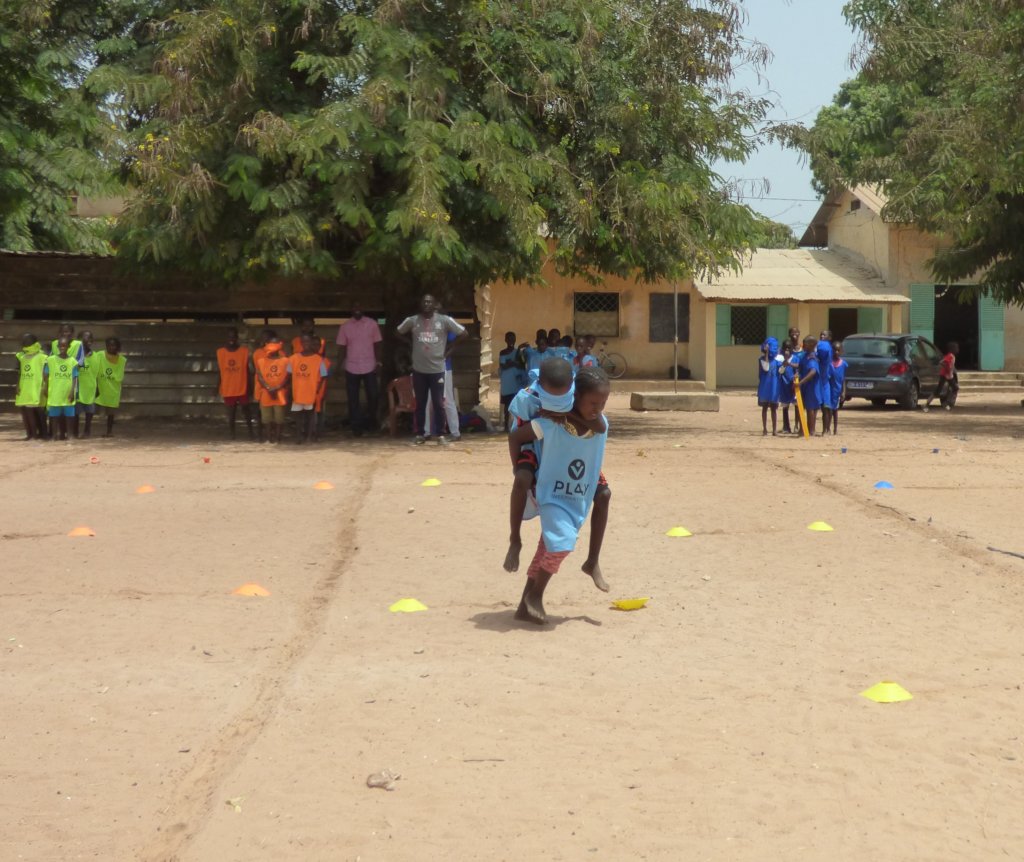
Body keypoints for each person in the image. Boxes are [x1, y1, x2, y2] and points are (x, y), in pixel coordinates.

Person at [507, 366, 611, 624]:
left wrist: (567, 414)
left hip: (576, 487)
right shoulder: (548, 422)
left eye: (603, 403)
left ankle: (524, 607)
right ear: (575, 397)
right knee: (562, 543)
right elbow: (516, 436)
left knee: (549, 544)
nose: (598, 408)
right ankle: (535, 593)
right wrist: (518, 468)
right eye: (593, 403)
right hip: (552, 488)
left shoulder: (598, 423)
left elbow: (599, 426)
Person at [395, 294, 467, 444]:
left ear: (434, 305)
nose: (426, 304)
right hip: (419, 370)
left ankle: (441, 435)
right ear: (420, 304)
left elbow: (463, 333)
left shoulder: (444, 320)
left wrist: (450, 349)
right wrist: (409, 343)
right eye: (424, 302)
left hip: (438, 369)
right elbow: (397, 332)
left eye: (429, 302)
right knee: (421, 403)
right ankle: (421, 434)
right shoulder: (412, 321)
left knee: (439, 403)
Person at [336, 306, 383, 436]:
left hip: (370, 366)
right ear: (351, 310)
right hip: (351, 366)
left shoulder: (372, 324)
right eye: (354, 307)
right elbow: (342, 348)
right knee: (353, 399)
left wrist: (379, 362)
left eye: (359, 307)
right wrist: (338, 367)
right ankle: (356, 427)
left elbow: (377, 345)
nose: (357, 310)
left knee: (373, 396)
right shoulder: (345, 326)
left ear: (363, 309)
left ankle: (371, 423)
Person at [288, 333, 328, 443]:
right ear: (300, 343)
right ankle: (298, 436)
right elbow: (289, 375)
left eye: (308, 342)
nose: (306, 344)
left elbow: (324, 375)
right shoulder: (293, 358)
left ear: (311, 343)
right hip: (297, 392)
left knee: (310, 415)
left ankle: (309, 436)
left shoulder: (318, 359)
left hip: (310, 392)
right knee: (297, 415)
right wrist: (290, 390)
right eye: (304, 342)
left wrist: (317, 389)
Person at [216, 327, 253, 440]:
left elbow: (247, 370)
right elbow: (220, 371)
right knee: (231, 413)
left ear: (237, 338)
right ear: (226, 338)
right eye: (229, 337)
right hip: (228, 387)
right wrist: (217, 386)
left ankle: (251, 432)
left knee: (246, 411)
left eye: (233, 337)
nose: (231, 339)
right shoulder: (220, 352)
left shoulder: (244, 351)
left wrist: (250, 386)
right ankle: (232, 434)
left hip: (242, 386)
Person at [425, 330, 462, 441]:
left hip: (444, 368)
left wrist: (442, 356)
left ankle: (455, 432)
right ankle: (425, 432)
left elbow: (454, 345)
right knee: (426, 400)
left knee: (448, 401)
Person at [254, 338, 290, 443]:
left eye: (274, 344)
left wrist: (277, 387)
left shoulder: (286, 361)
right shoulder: (261, 361)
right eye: (270, 344)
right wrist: (268, 388)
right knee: (266, 419)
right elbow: (259, 377)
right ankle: (269, 438)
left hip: (280, 393)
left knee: (279, 418)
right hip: (266, 393)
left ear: (279, 345)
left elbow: (288, 377)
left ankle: (278, 438)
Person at [43, 336, 79, 441]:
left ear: (68, 347)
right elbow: (46, 375)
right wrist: (45, 387)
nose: (62, 347)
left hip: (67, 393)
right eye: (60, 346)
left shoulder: (72, 361)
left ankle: (70, 435)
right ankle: (54, 435)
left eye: (64, 346)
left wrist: (72, 391)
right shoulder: (51, 360)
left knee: (69, 416)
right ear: (57, 347)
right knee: (54, 416)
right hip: (55, 393)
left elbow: (75, 378)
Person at [14, 333, 46, 440]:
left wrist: (44, 386)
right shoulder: (20, 356)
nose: (22, 342)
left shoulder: (42, 356)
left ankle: (36, 434)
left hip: (36, 386)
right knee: (24, 410)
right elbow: (20, 372)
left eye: (25, 340)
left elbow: (45, 373)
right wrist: (17, 385)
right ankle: (29, 434)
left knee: (35, 411)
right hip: (24, 386)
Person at [94, 337, 127, 437]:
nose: (111, 347)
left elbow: (119, 376)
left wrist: (107, 376)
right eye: (109, 345)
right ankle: (90, 430)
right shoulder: (99, 355)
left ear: (117, 346)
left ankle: (109, 431)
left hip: (113, 389)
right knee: (95, 409)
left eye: (114, 345)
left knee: (111, 412)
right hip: (100, 387)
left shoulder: (122, 360)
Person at [498, 331, 525, 432]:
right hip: (507, 382)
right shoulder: (502, 352)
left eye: (513, 338)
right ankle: (506, 425)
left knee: (518, 404)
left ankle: (518, 425)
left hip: (516, 382)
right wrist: (514, 363)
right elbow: (503, 366)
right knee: (507, 405)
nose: (511, 340)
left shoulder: (518, 352)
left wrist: (511, 362)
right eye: (509, 338)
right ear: (505, 340)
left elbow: (522, 365)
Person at [923, 341, 959, 412]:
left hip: (948, 375)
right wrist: (947, 369)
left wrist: (949, 370)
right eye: (956, 348)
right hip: (946, 375)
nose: (957, 349)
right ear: (952, 349)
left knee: (952, 388)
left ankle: (945, 403)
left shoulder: (951, 356)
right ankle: (946, 403)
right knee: (953, 388)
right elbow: (942, 362)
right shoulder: (950, 356)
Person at [75, 330, 99, 438]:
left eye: (91, 338)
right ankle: (75, 431)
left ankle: (87, 430)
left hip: (90, 387)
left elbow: (97, 373)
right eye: (86, 337)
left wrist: (97, 387)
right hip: (78, 388)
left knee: (89, 412)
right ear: (79, 340)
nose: (90, 340)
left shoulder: (96, 356)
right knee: (76, 412)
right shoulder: (75, 355)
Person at [757, 336, 782, 436]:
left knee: (773, 409)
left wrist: (784, 365)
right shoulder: (761, 359)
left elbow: (781, 371)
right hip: (765, 386)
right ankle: (765, 429)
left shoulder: (777, 361)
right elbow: (766, 368)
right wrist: (767, 354)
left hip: (774, 387)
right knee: (764, 408)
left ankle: (774, 429)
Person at [796, 335, 820, 436]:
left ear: (811, 345)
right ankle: (802, 429)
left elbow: (813, 372)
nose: (803, 345)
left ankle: (811, 430)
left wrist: (801, 382)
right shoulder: (804, 356)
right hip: (804, 387)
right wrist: (797, 374)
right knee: (802, 407)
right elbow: (800, 367)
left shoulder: (812, 358)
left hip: (811, 387)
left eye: (805, 343)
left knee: (811, 408)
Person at [815, 336, 834, 435]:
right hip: (819, 385)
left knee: (826, 408)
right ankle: (822, 430)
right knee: (821, 408)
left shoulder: (828, 362)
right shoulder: (816, 359)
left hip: (825, 385)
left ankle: (826, 429)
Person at [829, 341, 848, 434]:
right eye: (834, 350)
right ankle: (827, 428)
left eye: (838, 350)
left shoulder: (843, 364)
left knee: (835, 410)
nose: (836, 352)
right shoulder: (829, 363)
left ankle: (835, 429)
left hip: (837, 390)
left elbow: (843, 379)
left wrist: (843, 391)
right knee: (828, 410)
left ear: (841, 351)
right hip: (829, 389)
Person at [779, 340, 796, 434]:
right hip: (784, 386)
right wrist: (784, 362)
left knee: (797, 405)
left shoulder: (795, 358)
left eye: (789, 348)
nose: (787, 350)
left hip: (794, 386)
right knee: (785, 407)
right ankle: (786, 426)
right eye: (785, 348)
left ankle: (797, 425)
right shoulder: (780, 360)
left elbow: (798, 370)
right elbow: (780, 371)